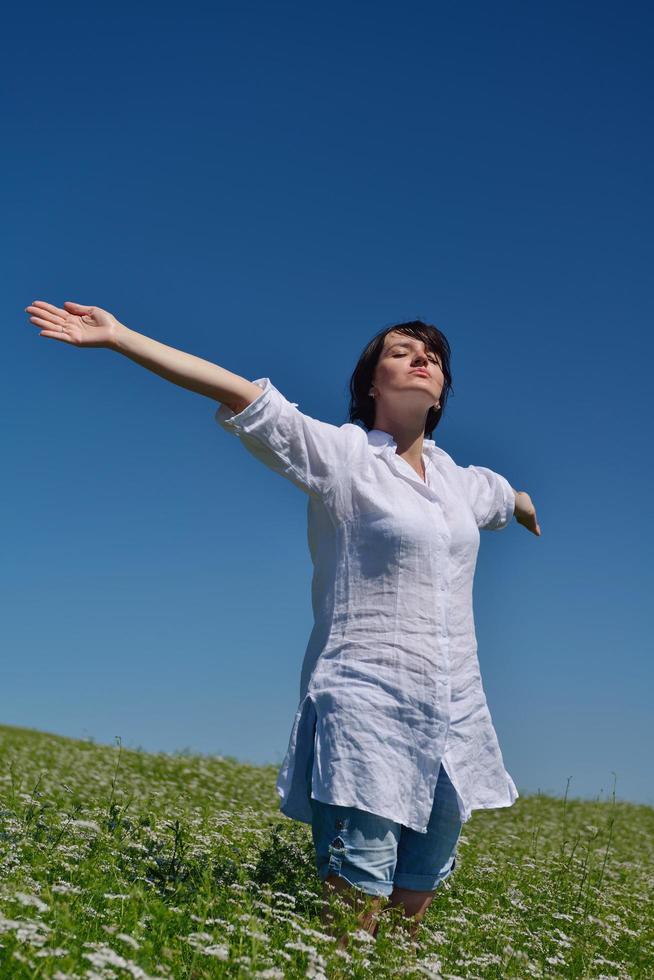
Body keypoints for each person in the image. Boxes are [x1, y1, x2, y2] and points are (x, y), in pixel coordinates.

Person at [24, 300, 541, 947]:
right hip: (366, 701)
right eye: (402, 351)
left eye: (433, 356)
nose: (422, 359)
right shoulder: (343, 456)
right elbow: (239, 393)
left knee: (419, 890)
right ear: (371, 382)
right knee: (359, 892)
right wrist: (121, 337)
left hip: (453, 712)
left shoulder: (462, 483)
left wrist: (524, 506)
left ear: (441, 394)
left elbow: (504, 495)